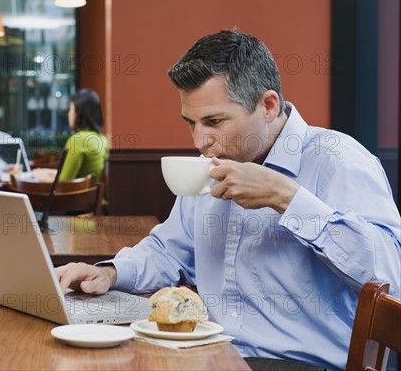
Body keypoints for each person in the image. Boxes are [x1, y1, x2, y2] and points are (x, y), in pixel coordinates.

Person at [56, 30, 400, 370]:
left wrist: (287, 198)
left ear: (268, 106)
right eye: (190, 123)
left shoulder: (338, 160)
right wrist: (111, 272)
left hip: (304, 365)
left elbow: (391, 276)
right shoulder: (212, 166)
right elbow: (168, 250)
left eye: (214, 121)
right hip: (213, 354)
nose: (200, 141)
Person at [58, 88, 108, 184]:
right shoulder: (102, 138)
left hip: (74, 199)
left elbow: (63, 183)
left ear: (79, 113)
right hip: (90, 198)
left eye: (71, 109)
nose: (68, 113)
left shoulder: (78, 140)